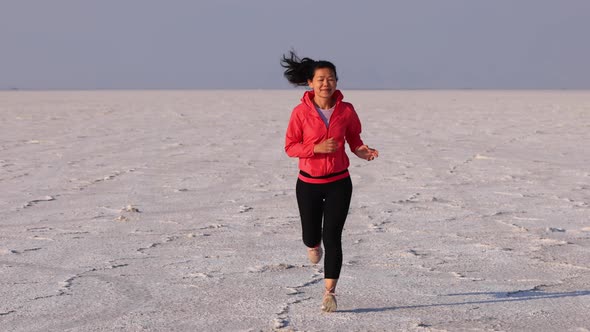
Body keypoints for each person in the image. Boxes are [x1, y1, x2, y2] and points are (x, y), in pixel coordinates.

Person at [281, 50, 379, 312]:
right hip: (308, 184)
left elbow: (354, 140)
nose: (326, 83)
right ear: (310, 83)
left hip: (339, 182)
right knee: (312, 237)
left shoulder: (346, 110)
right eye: (321, 79)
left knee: (333, 236)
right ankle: (312, 245)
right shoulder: (300, 112)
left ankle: (329, 293)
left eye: (331, 78)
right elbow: (290, 147)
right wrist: (316, 149)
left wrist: (362, 151)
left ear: (336, 81)